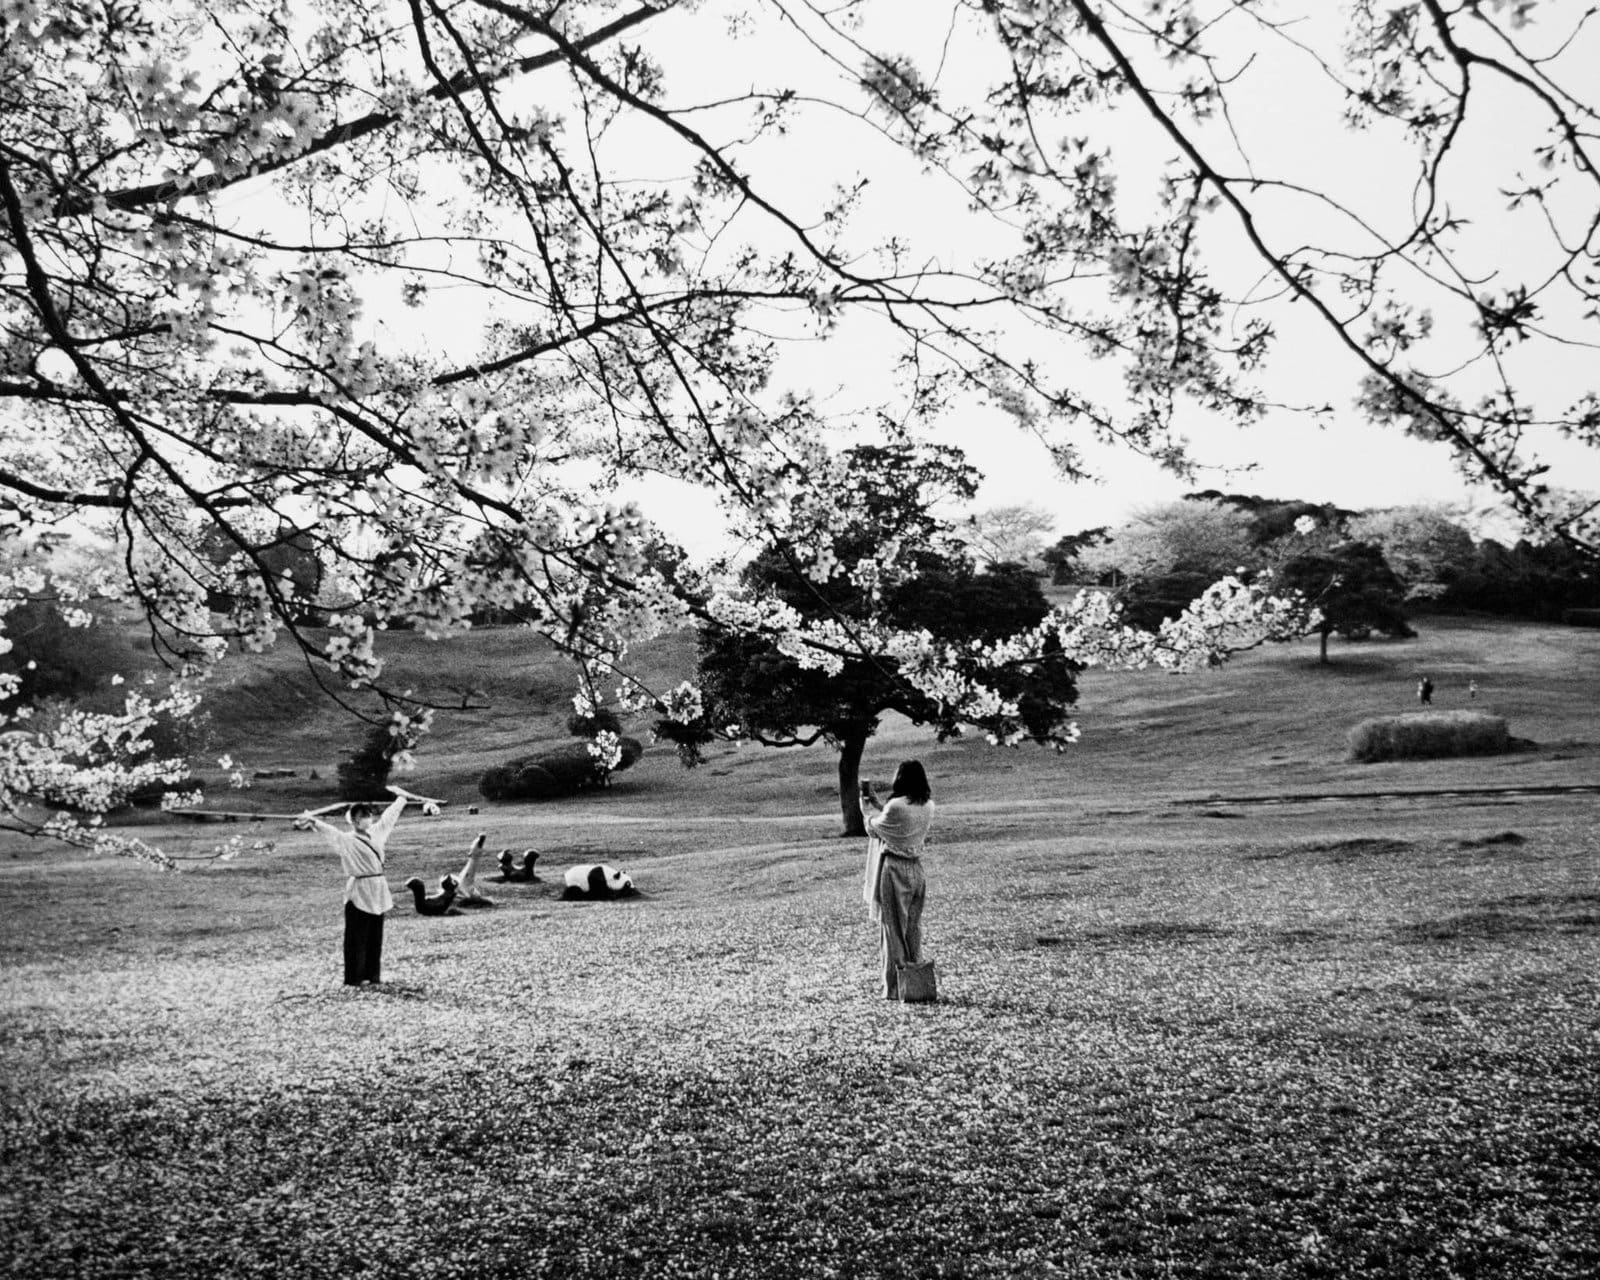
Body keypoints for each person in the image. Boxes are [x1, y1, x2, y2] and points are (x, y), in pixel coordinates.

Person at [302, 784, 420, 987]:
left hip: (378, 887)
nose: (368, 818)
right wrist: (313, 821)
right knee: (356, 936)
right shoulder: (346, 840)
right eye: (362, 816)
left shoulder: (377, 833)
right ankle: (354, 978)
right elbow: (330, 832)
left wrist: (401, 799)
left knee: (375, 935)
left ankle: (372, 975)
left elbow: (389, 817)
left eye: (368, 814)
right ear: (354, 820)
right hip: (359, 889)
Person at [860, 760, 935, 999]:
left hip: (894, 869)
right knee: (912, 927)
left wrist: (866, 811)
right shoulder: (928, 805)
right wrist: (878, 804)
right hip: (917, 870)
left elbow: (875, 828)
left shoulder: (896, 806)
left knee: (892, 927)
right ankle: (917, 978)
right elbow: (898, 822)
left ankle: (895, 986)